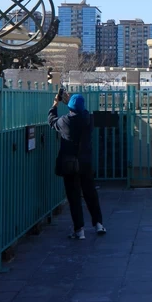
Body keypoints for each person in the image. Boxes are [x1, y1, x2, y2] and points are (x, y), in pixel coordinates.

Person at [48, 91, 106, 239]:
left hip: (70, 164)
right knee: (90, 193)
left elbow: (51, 121)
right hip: (85, 162)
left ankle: (79, 230)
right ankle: (98, 223)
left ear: (70, 107)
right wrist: (70, 103)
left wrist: (55, 104)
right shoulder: (89, 119)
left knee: (74, 196)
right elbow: (82, 111)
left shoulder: (64, 121)